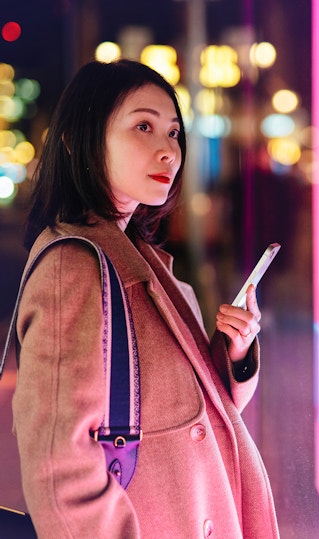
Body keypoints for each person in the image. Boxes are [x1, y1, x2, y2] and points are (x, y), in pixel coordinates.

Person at [10, 59, 279, 538]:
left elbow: (197, 405)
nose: (168, 152)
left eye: (174, 133)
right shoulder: (73, 266)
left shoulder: (141, 258)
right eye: (143, 127)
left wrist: (234, 351)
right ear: (79, 141)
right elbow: (59, 470)